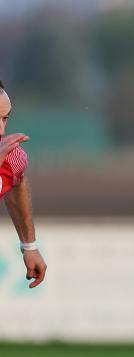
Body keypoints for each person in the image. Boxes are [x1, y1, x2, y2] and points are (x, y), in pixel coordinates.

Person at [0, 80, 46, 288]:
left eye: (5, 118)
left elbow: (17, 183)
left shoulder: (9, 157)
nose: (1, 130)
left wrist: (29, 245)